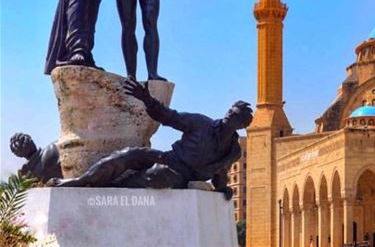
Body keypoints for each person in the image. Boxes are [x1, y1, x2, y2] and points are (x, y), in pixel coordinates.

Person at [50, 78, 252, 198]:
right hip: (169, 158)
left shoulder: (233, 151)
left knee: (156, 177)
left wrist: (223, 188)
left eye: (235, 115)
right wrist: (147, 99)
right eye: (230, 111)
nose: (228, 115)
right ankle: (80, 181)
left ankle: (108, 192)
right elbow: (169, 116)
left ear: (241, 125)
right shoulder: (201, 123)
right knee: (130, 154)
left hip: (184, 175)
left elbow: (220, 172)